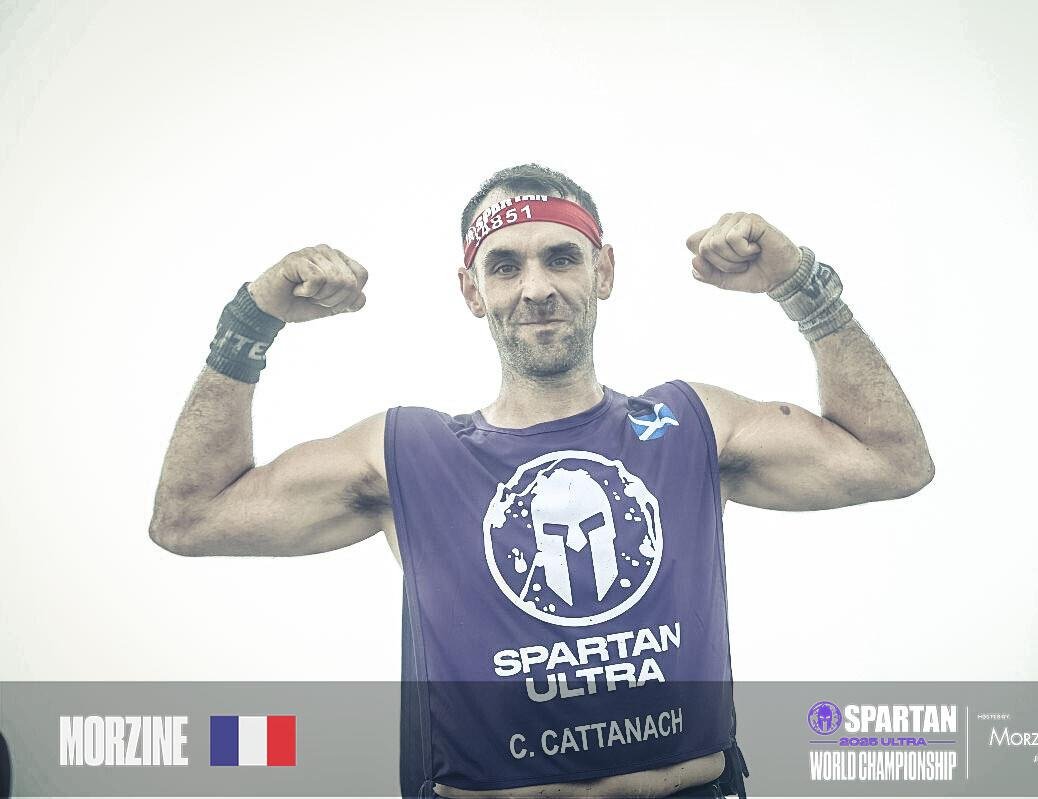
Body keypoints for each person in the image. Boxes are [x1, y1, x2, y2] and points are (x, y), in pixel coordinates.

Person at [149, 163, 934, 799]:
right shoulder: (408, 452)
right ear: (471, 289)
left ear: (604, 271)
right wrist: (252, 319)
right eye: (505, 264)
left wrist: (801, 285)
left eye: (561, 256)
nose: (536, 287)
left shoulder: (688, 423)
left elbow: (894, 459)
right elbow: (190, 517)